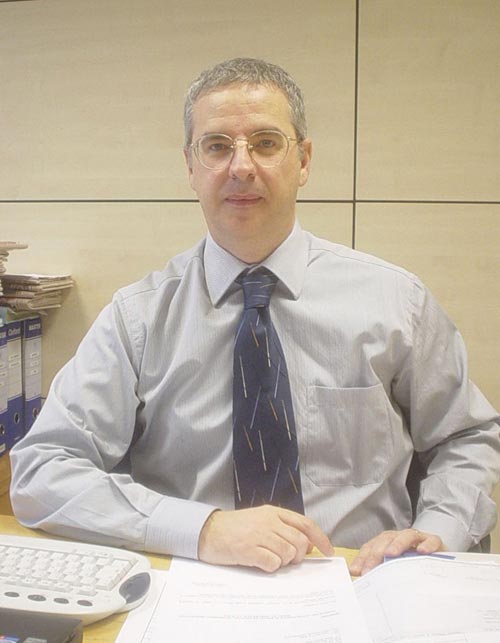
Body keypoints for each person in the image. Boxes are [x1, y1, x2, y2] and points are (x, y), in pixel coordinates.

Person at [10, 58, 500, 576]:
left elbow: (464, 437)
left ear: (303, 160)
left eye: (266, 143)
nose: (241, 167)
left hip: (364, 579)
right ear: (190, 167)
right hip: (193, 584)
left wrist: (436, 532)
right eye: (217, 146)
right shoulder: (138, 320)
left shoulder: (396, 302)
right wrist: (203, 529)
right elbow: (42, 471)